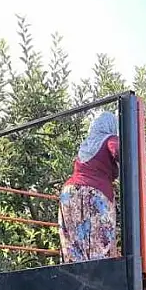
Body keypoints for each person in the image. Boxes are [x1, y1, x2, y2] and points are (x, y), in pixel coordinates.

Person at [58, 111, 120, 263]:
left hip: (69, 193)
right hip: (94, 193)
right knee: (100, 238)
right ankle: (101, 274)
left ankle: (74, 272)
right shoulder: (109, 138)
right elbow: (120, 151)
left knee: (73, 241)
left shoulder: (86, 144)